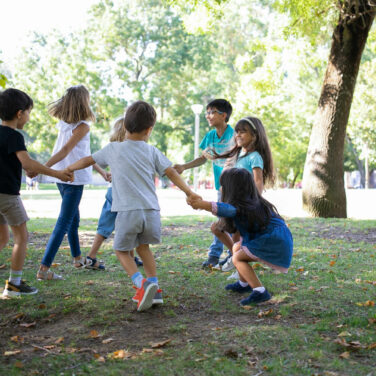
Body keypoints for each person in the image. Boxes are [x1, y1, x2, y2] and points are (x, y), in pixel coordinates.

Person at [67, 100, 200, 312]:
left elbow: (87, 160)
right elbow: (172, 172)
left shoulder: (113, 149)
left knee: (121, 250)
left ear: (125, 127)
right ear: (149, 130)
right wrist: (190, 192)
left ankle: (141, 284)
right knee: (143, 248)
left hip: (128, 211)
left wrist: (70, 168)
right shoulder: (152, 151)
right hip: (151, 212)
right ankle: (155, 289)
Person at [0, 88, 73, 297]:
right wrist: (56, 173)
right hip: (7, 195)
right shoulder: (14, 136)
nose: (29, 117)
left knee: (2, 238)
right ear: (19, 113)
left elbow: (23, 165)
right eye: (29, 112)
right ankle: (14, 284)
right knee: (21, 237)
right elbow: (27, 162)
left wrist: (31, 169)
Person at [188, 168, 293, 305]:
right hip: (275, 238)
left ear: (232, 189)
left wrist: (203, 205)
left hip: (273, 240)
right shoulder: (251, 203)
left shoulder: (242, 206)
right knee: (237, 248)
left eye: (223, 186)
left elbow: (227, 209)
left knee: (237, 258)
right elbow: (234, 231)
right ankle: (244, 284)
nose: (220, 189)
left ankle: (260, 291)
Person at [36, 85, 108, 281]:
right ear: (84, 102)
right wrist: (41, 167)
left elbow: (84, 153)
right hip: (72, 178)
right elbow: (66, 151)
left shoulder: (64, 124)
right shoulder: (82, 125)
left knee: (73, 219)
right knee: (65, 221)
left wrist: (101, 171)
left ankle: (77, 259)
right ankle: (44, 269)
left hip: (62, 176)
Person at [173, 99, 234, 269]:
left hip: (235, 187)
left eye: (212, 112)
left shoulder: (234, 135)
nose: (208, 116)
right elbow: (203, 158)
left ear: (224, 115)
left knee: (225, 220)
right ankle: (225, 254)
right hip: (220, 187)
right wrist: (184, 166)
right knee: (222, 219)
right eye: (207, 112)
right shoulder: (210, 136)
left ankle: (219, 255)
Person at [211, 116, 275, 275]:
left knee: (237, 238)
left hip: (245, 205)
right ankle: (235, 258)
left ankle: (239, 267)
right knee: (217, 229)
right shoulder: (238, 155)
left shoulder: (255, 157)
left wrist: (256, 202)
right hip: (233, 203)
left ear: (254, 135)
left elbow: (258, 181)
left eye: (242, 132)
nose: (237, 135)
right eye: (236, 132)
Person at [85, 117, 142, 270]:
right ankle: (92, 257)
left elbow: (92, 159)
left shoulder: (113, 148)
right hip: (123, 193)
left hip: (113, 191)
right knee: (127, 224)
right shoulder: (132, 149)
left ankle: (92, 256)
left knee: (107, 225)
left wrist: (107, 173)